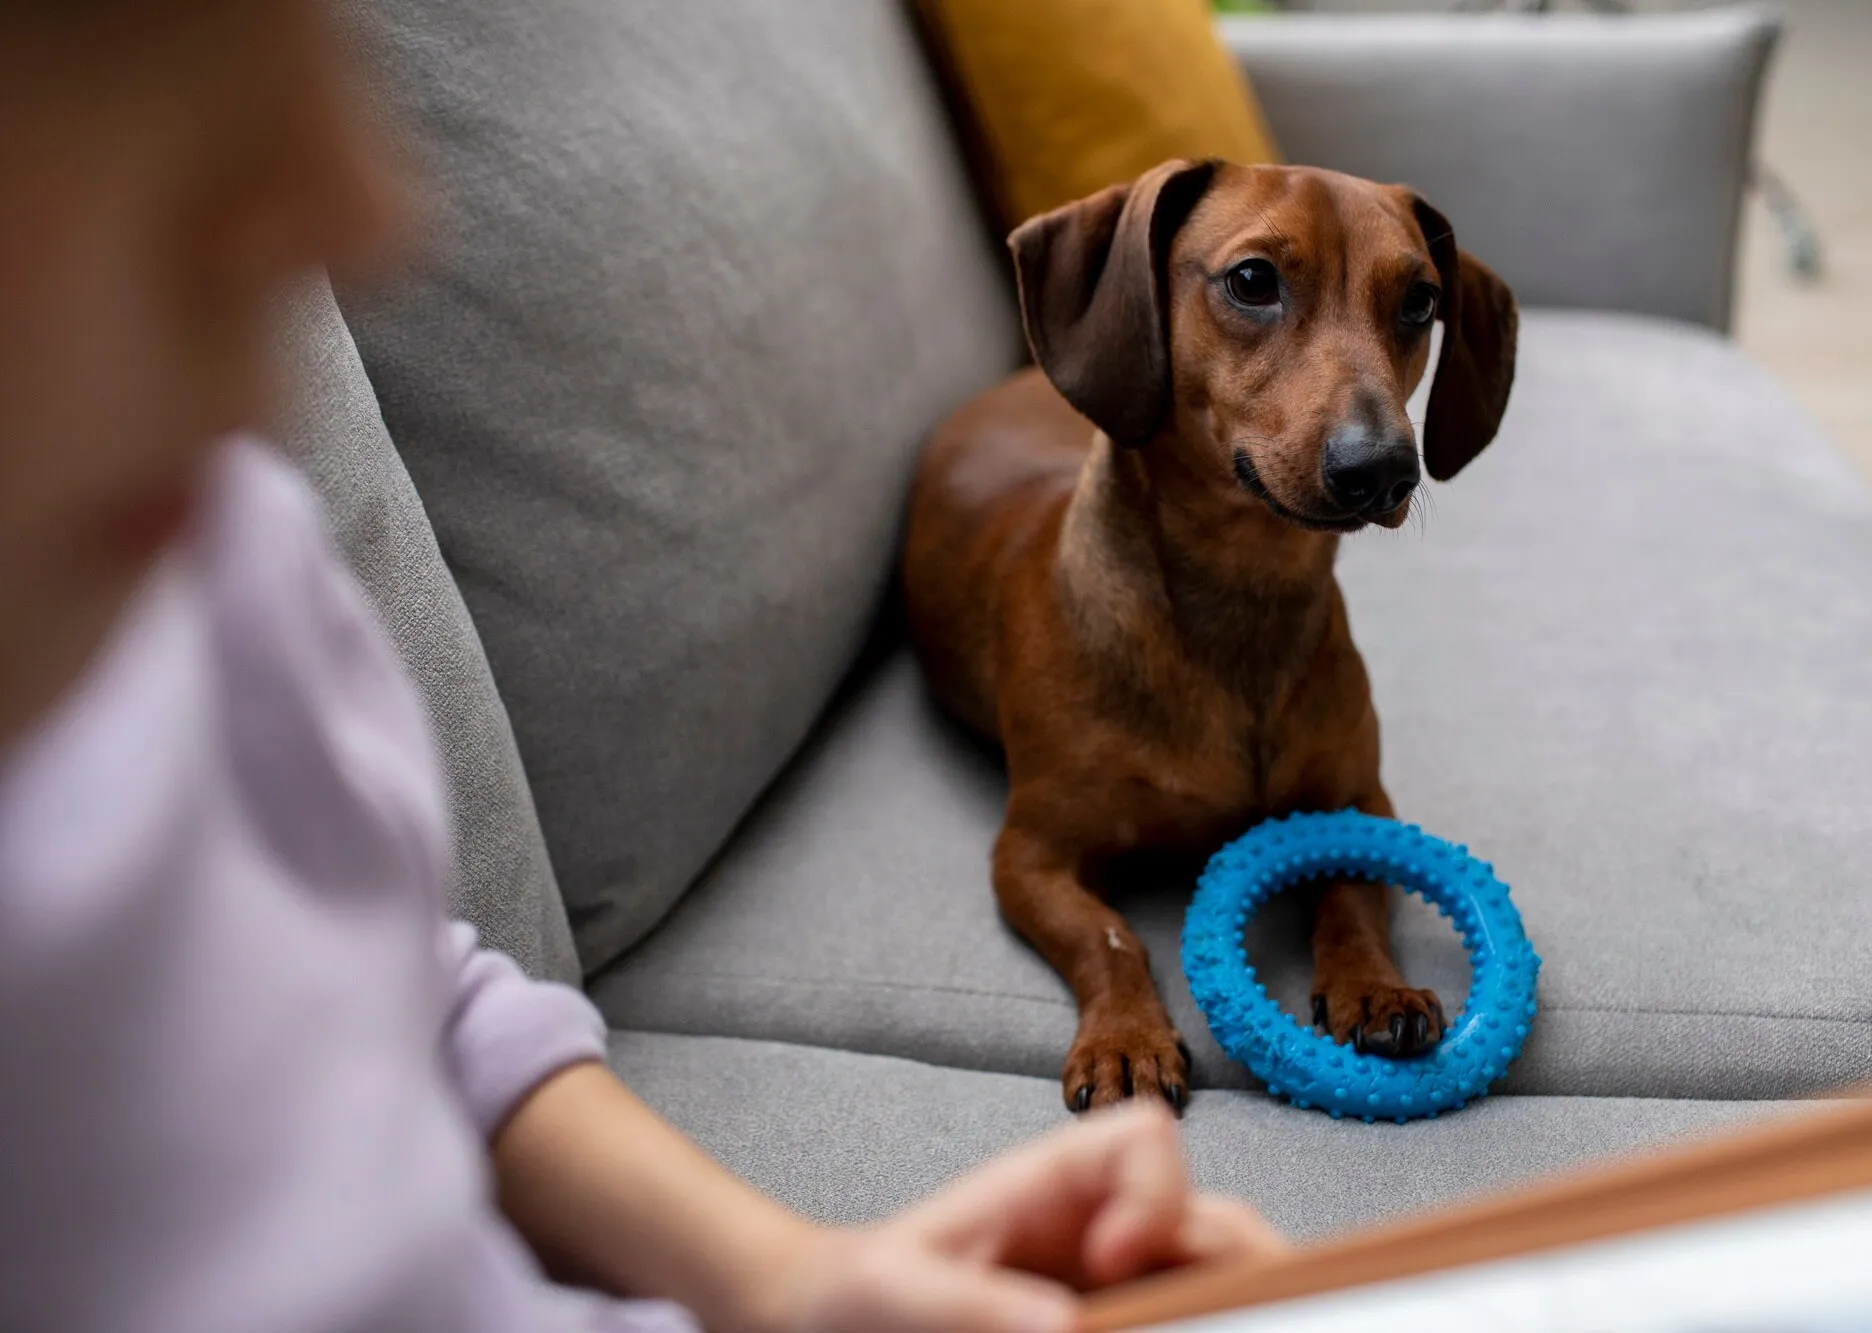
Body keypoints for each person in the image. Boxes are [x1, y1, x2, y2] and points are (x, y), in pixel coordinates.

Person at [0, 4, 1285, 1331]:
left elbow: (404, 993)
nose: (360, 206)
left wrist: (786, 1279)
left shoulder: (218, 559)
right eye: (107, 47)